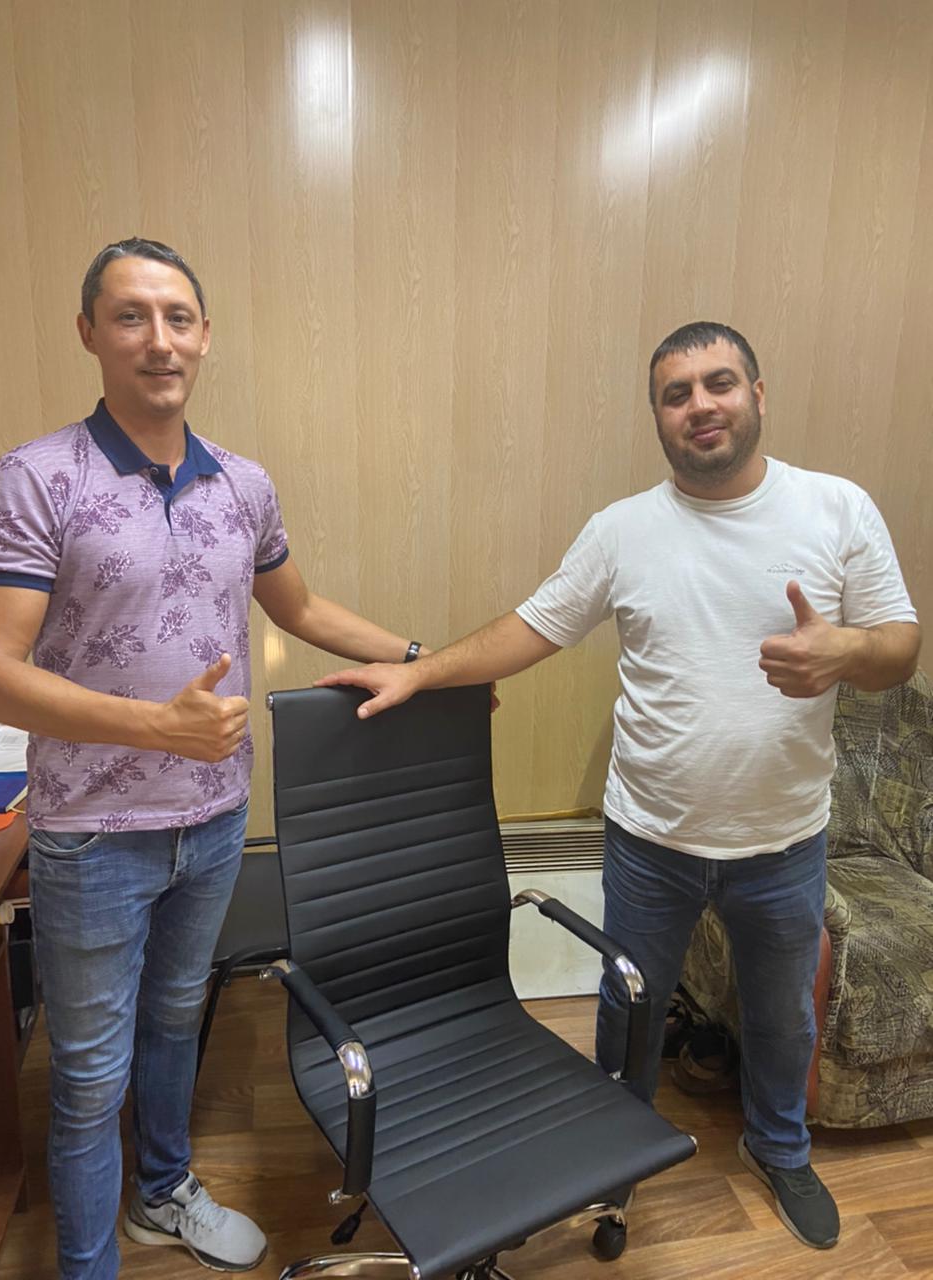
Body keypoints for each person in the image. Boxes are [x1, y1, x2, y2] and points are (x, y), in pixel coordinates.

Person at [315, 321, 921, 1251]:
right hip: (650, 841)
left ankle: (780, 1148)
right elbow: (533, 626)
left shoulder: (837, 509)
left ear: (758, 395)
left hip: (784, 841)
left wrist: (845, 652)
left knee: (782, 1016)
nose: (700, 406)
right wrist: (421, 672)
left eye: (719, 383)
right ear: (658, 418)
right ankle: (614, 1156)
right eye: (677, 394)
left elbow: (899, 646)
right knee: (629, 1002)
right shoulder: (624, 530)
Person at [0, 238, 425, 1280]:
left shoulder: (242, 483)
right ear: (89, 333)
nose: (158, 339)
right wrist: (153, 728)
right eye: (130, 316)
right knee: (89, 1074)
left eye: (177, 316)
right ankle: (88, 1262)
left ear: (206, 335)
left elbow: (300, 609)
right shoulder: (36, 478)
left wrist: (426, 662)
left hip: (216, 820)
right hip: (92, 833)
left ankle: (162, 1191)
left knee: (177, 1019)